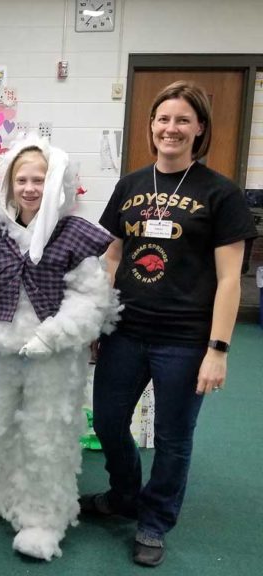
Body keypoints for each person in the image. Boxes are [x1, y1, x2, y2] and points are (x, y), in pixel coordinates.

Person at [81, 81, 258, 567]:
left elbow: (228, 281)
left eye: (183, 120)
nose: (171, 128)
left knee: (175, 436)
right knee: (111, 422)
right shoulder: (132, 185)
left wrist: (218, 349)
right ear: (151, 126)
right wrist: (98, 316)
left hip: (184, 339)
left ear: (199, 128)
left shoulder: (221, 194)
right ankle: (123, 494)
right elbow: (114, 254)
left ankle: (155, 520)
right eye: (163, 119)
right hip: (126, 330)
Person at [0, 137, 119, 562]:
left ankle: (43, 517)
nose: (30, 187)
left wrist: (51, 335)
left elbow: (91, 298)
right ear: (10, 184)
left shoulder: (75, 233)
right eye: (23, 179)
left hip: (53, 354)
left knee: (45, 435)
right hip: (3, 348)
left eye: (39, 179)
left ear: (55, 184)